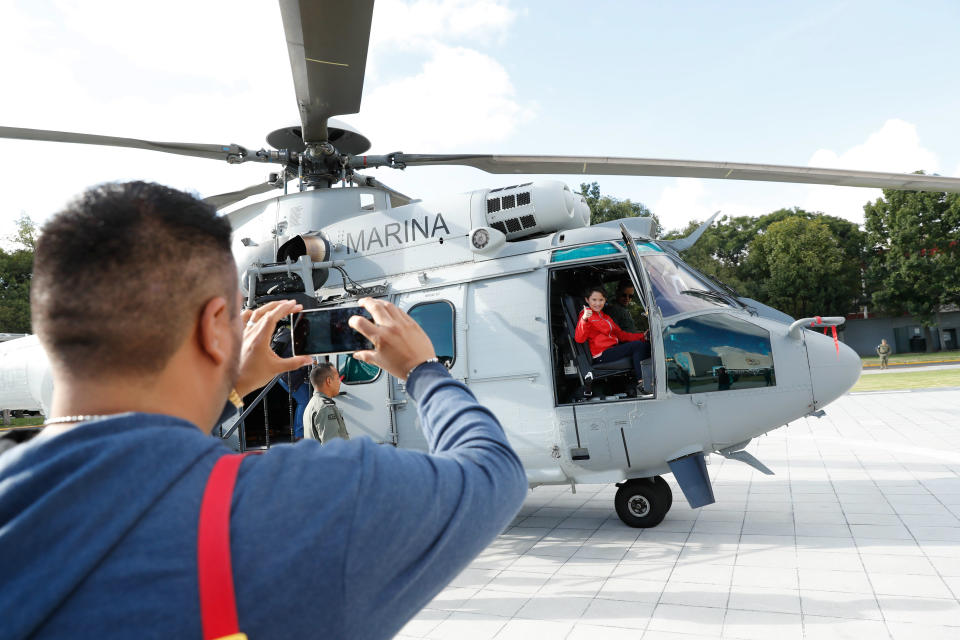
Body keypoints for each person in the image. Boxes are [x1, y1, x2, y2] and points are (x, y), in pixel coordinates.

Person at [0, 181, 527, 639]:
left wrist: (227, 386)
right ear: (212, 328)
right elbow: (495, 472)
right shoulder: (321, 499)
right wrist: (422, 369)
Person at [575, 285, 650, 388]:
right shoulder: (585, 315)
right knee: (637, 346)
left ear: (605, 300)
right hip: (601, 354)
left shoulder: (606, 317)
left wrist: (642, 336)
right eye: (594, 300)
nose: (597, 303)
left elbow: (620, 334)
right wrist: (584, 320)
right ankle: (643, 383)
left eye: (601, 300)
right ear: (587, 300)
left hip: (612, 349)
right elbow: (579, 338)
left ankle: (651, 378)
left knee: (646, 345)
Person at [303, 362, 349, 443]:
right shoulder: (325, 408)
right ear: (329, 381)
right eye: (338, 378)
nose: (339, 382)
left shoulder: (312, 404)